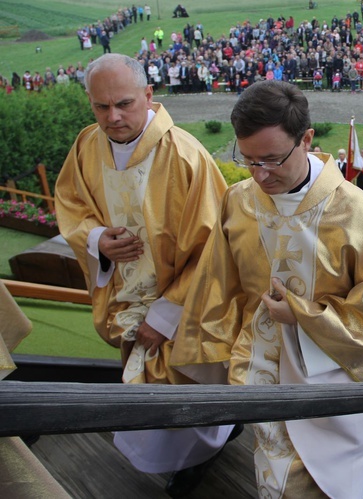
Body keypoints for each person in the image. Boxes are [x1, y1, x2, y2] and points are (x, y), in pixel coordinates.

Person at [171, 80, 363, 497]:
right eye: (249, 160)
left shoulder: (357, 214)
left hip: (334, 383)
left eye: (271, 159)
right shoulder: (239, 201)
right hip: (260, 375)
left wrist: (304, 315)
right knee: (273, 481)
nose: (260, 174)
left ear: (306, 139)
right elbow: (218, 285)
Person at [54, 54, 233, 496]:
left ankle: (205, 453)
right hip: (124, 295)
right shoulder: (85, 145)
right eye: (100, 107)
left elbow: (217, 246)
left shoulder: (186, 156)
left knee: (187, 393)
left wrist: (166, 314)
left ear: (149, 95)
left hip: (181, 308)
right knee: (144, 390)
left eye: (124, 103)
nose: (112, 117)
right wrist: (97, 240)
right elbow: (71, 205)